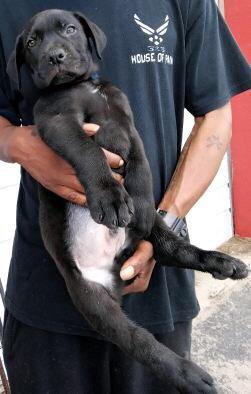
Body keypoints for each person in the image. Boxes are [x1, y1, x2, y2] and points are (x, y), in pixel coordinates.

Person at [0, 1, 250, 393]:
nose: (54, 49)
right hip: (46, 296)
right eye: (37, 43)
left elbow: (215, 116)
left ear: (89, 39)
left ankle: (193, 256)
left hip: (156, 288)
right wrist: (20, 143)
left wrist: (162, 227)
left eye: (66, 33)